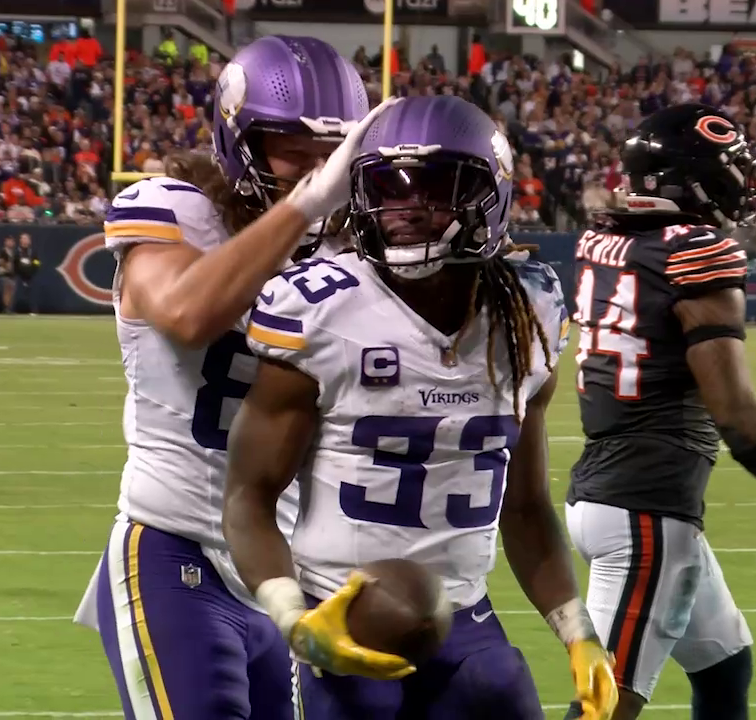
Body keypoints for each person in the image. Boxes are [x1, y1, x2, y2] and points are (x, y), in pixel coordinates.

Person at [222, 95, 616, 720]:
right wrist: (294, 618)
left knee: (499, 686)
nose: (405, 208)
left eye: (433, 189)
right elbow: (248, 496)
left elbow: (525, 506)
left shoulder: (530, 313)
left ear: (489, 198)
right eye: (387, 188)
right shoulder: (321, 309)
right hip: (341, 609)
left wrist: (578, 631)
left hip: (466, 615)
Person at [71, 35, 381, 720]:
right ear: (241, 141)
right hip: (174, 546)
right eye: (294, 151)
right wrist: (303, 208)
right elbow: (188, 315)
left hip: (282, 570)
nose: (317, 171)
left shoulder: (349, 245)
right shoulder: (174, 210)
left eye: (332, 154)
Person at [559, 104, 756, 720]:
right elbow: (734, 413)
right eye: (730, 174)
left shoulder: (600, 238)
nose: (742, 187)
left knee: (725, 665)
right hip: (646, 510)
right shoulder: (699, 254)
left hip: (614, 491)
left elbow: (652, 276)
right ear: (699, 180)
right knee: (604, 707)